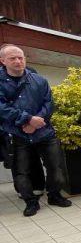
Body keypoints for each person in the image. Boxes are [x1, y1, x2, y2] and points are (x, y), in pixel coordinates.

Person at [0, 45, 72, 217]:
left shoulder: (39, 80)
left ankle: (54, 195)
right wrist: (27, 119)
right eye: (12, 58)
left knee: (56, 167)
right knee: (22, 172)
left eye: (20, 57)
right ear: (3, 61)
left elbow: (49, 103)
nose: (18, 61)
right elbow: (2, 108)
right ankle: (31, 202)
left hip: (43, 131)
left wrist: (36, 121)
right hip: (16, 134)